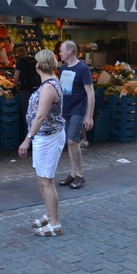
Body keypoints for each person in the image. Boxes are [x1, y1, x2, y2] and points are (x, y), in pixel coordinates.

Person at [18, 49, 66, 237]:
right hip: (44, 137)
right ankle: (48, 214)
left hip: (48, 137)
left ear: (40, 65)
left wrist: (26, 140)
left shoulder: (48, 87)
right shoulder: (50, 82)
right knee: (42, 178)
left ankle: (55, 224)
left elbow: (40, 117)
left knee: (47, 180)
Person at [57, 40, 94, 190]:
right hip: (65, 110)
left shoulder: (83, 69)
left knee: (73, 140)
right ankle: (73, 173)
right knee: (69, 142)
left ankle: (79, 174)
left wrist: (89, 116)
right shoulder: (62, 68)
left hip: (78, 110)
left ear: (70, 51)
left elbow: (90, 93)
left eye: (62, 50)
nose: (59, 53)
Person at [14, 46, 41, 140]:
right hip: (35, 90)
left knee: (26, 114)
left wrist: (16, 85)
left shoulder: (20, 61)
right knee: (35, 114)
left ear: (18, 56)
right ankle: (35, 136)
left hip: (25, 90)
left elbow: (16, 77)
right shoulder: (33, 60)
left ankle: (27, 138)